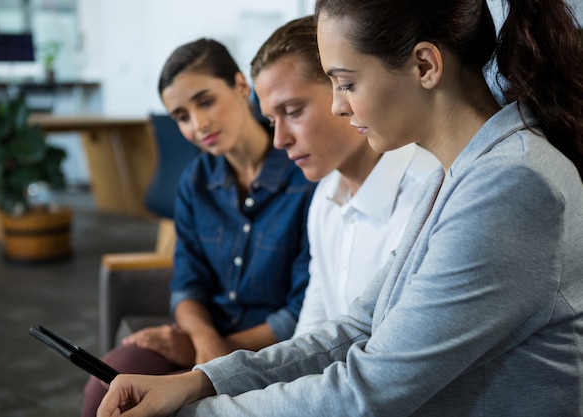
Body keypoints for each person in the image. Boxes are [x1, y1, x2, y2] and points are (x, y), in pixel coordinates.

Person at [98, 0, 583, 415]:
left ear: (425, 66)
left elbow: (367, 391)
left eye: (346, 83)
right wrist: (202, 380)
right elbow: (359, 327)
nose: (337, 107)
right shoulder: (456, 172)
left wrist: (193, 410)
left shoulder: (510, 183)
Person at [81, 38, 315, 416]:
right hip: (205, 335)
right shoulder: (194, 182)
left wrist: (203, 349)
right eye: (181, 116)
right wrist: (202, 337)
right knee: (104, 389)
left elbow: (299, 310)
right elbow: (187, 283)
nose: (198, 124)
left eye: (205, 101)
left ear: (242, 87)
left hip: (274, 351)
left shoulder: (304, 172)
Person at [250, 15, 439, 337]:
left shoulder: (428, 196)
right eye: (271, 121)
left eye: (293, 111)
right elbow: (312, 333)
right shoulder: (324, 199)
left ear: (344, 89)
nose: (280, 140)